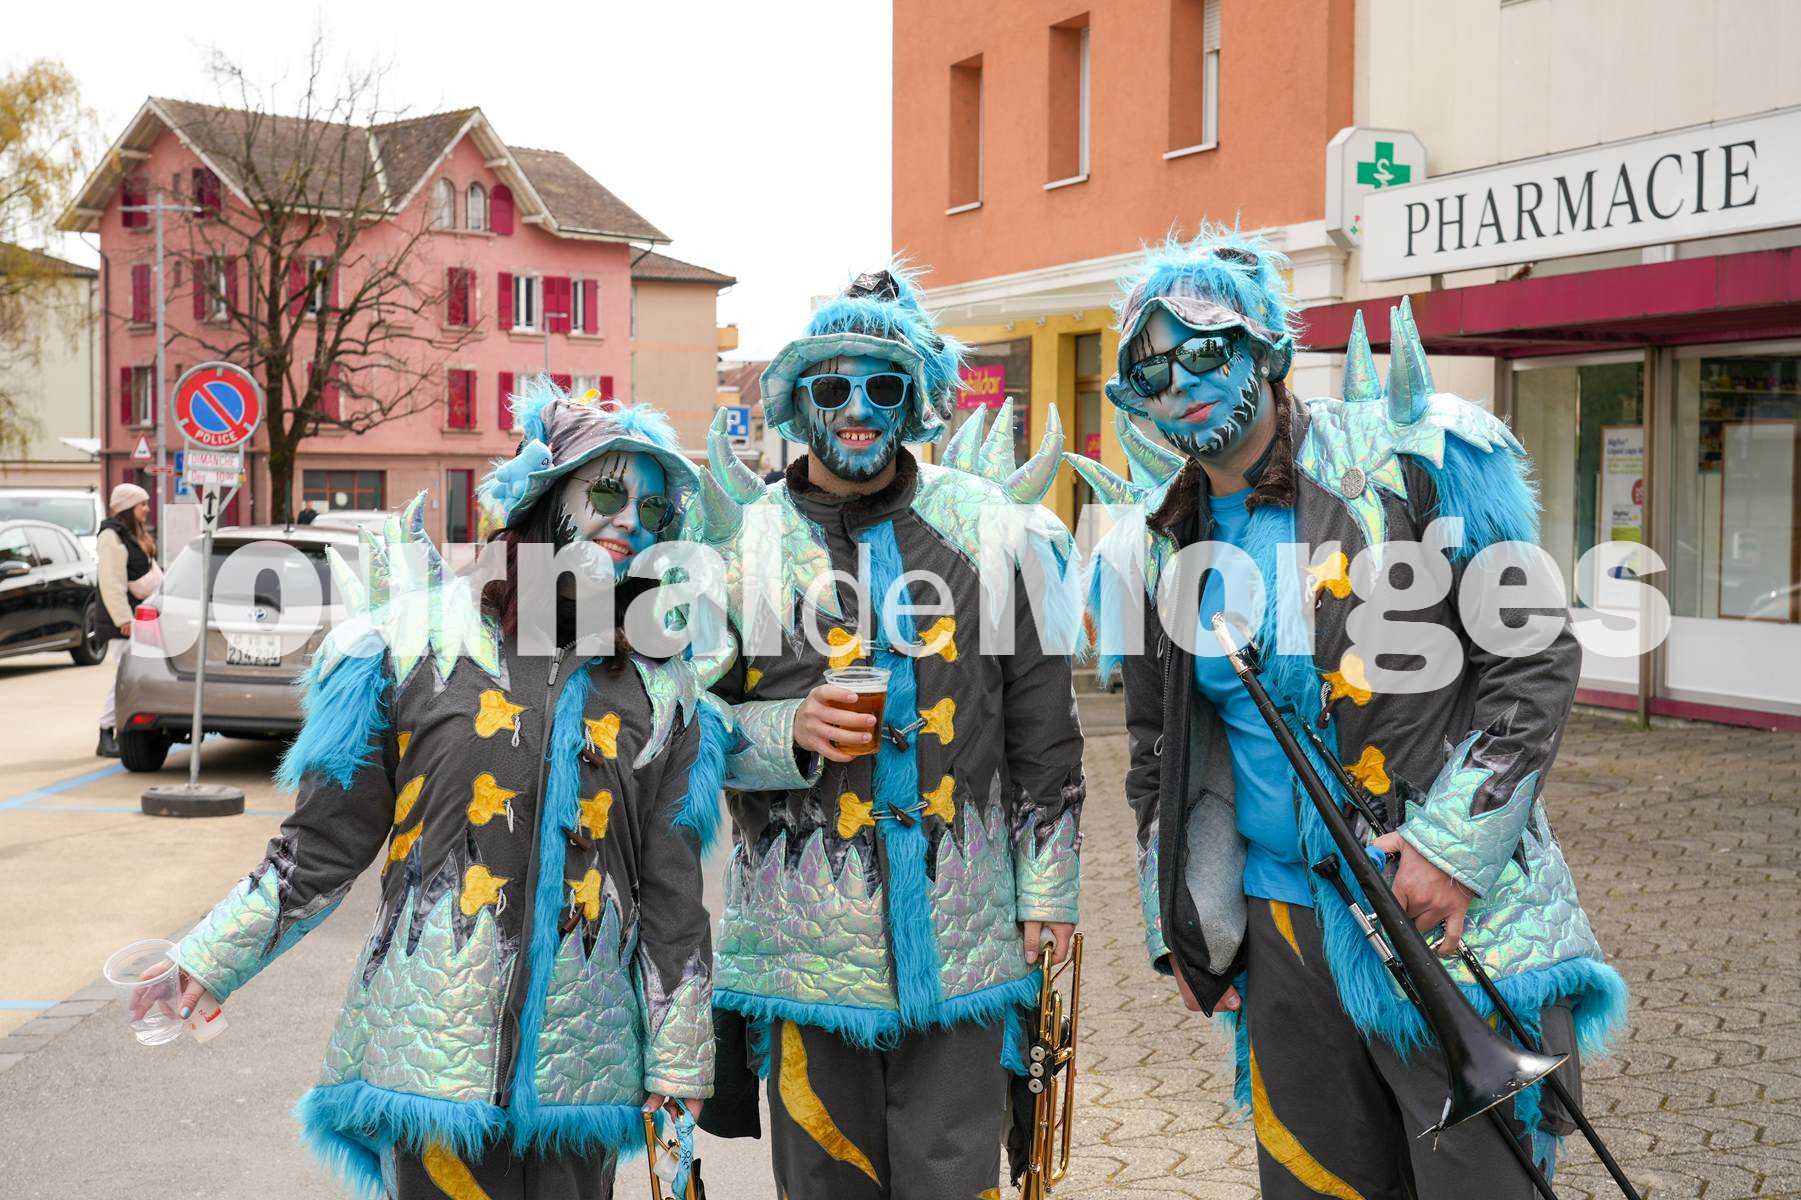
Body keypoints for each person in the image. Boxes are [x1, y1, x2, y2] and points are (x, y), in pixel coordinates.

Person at [1074, 228, 1628, 1198]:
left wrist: (1452, 852)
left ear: (1265, 349)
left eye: (1207, 350)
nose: (1182, 382)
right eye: (1151, 370)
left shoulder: (1407, 458)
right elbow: (1159, 748)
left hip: (1449, 918)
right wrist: (1186, 921)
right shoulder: (1159, 542)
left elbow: (1533, 657)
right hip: (1281, 936)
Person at [159, 381, 724, 1199]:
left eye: (655, 509)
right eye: (607, 494)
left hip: (581, 1077)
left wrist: (678, 1061)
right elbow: (324, 843)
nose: (631, 520)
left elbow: (672, 896)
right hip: (430, 1064)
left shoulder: (663, 689)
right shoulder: (404, 647)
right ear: (543, 498)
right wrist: (210, 956)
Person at [692, 267, 1087, 1198]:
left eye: (883, 384)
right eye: (832, 387)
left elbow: (1044, 723)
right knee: (823, 1182)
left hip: (964, 929)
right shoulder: (739, 545)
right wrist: (785, 728)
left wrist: (1050, 890)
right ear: (796, 403)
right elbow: (683, 726)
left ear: (915, 400)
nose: (859, 408)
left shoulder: (993, 529)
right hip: (804, 942)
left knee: (955, 1179)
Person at [94, 482, 161, 757]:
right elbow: (111, 582)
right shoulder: (111, 536)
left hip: (138, 618)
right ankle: (105, 731)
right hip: (122, 623)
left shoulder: (131, 534)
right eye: (142, 504)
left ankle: (119, 732)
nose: (147, 509)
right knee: (124, 678)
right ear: (128, 508)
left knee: (131, 677)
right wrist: (123, 618)